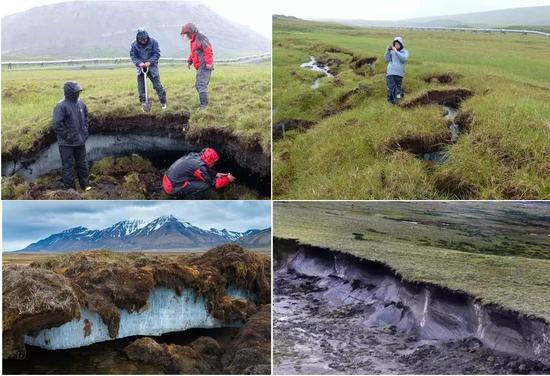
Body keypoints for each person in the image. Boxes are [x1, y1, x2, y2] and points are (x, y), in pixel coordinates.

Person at [52, 81, 91, 191]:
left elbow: (86, 118)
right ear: (69, 92)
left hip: (80, 141)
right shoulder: (61, 106)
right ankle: (70, 190)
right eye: (76, 92)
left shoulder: (81, 104)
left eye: (79, 91)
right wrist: (68, 136)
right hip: (66, 144)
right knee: (68, 166)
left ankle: (85, 185)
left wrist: (84, 133)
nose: (78, 93)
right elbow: (56, 125)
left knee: (82, 163)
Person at [163, 148, 235, 199]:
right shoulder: (200, 167)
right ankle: (187, 197)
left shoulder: (196, 156)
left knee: (201, 178)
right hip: (172, 188)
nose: (215, 163)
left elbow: (204, 169)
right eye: (214, 162)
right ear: (210, 161)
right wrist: (227, 179)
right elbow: (214, 183)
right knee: (206, 185)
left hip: (168, 179)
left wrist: (216, 174)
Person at [129, 28, 167, 111]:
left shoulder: (154, 42)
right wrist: (139, 63)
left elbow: (156, 54)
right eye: (141, 40)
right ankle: (144, 103)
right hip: (141, 68)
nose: (143, 41)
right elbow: (133, 56)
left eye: (145, 39)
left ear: (147, 37)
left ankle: (163, 102)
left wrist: (149, 62)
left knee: (157, 86)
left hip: (152, 68)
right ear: (138, 39)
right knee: (141, 87)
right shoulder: (134, 45)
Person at [180, 23, 214, 109]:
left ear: (191, 32)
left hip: (205, 65)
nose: (185, 36)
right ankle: (203, 102)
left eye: (186, 34)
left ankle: (204, 106)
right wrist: (189, 61)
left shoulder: (200, 37)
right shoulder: (193, 40)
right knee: (198, 85)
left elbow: (207, 50)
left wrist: (209, 63)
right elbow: (193, 52)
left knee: (201, 84)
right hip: (199, 66)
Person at [384, 37, 409, 104]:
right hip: (391, 74)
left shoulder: (405, 52)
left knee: (398, 89)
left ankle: (398, 100)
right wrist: (387, 51)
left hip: (399, 74)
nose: (396, 45)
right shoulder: (392, 51)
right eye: (395, 44)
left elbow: (403, 59)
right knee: (391, 88)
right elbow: (386, 59)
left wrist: (396, 51)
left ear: (401, 44)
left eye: (397, 44)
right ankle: (391, 102)